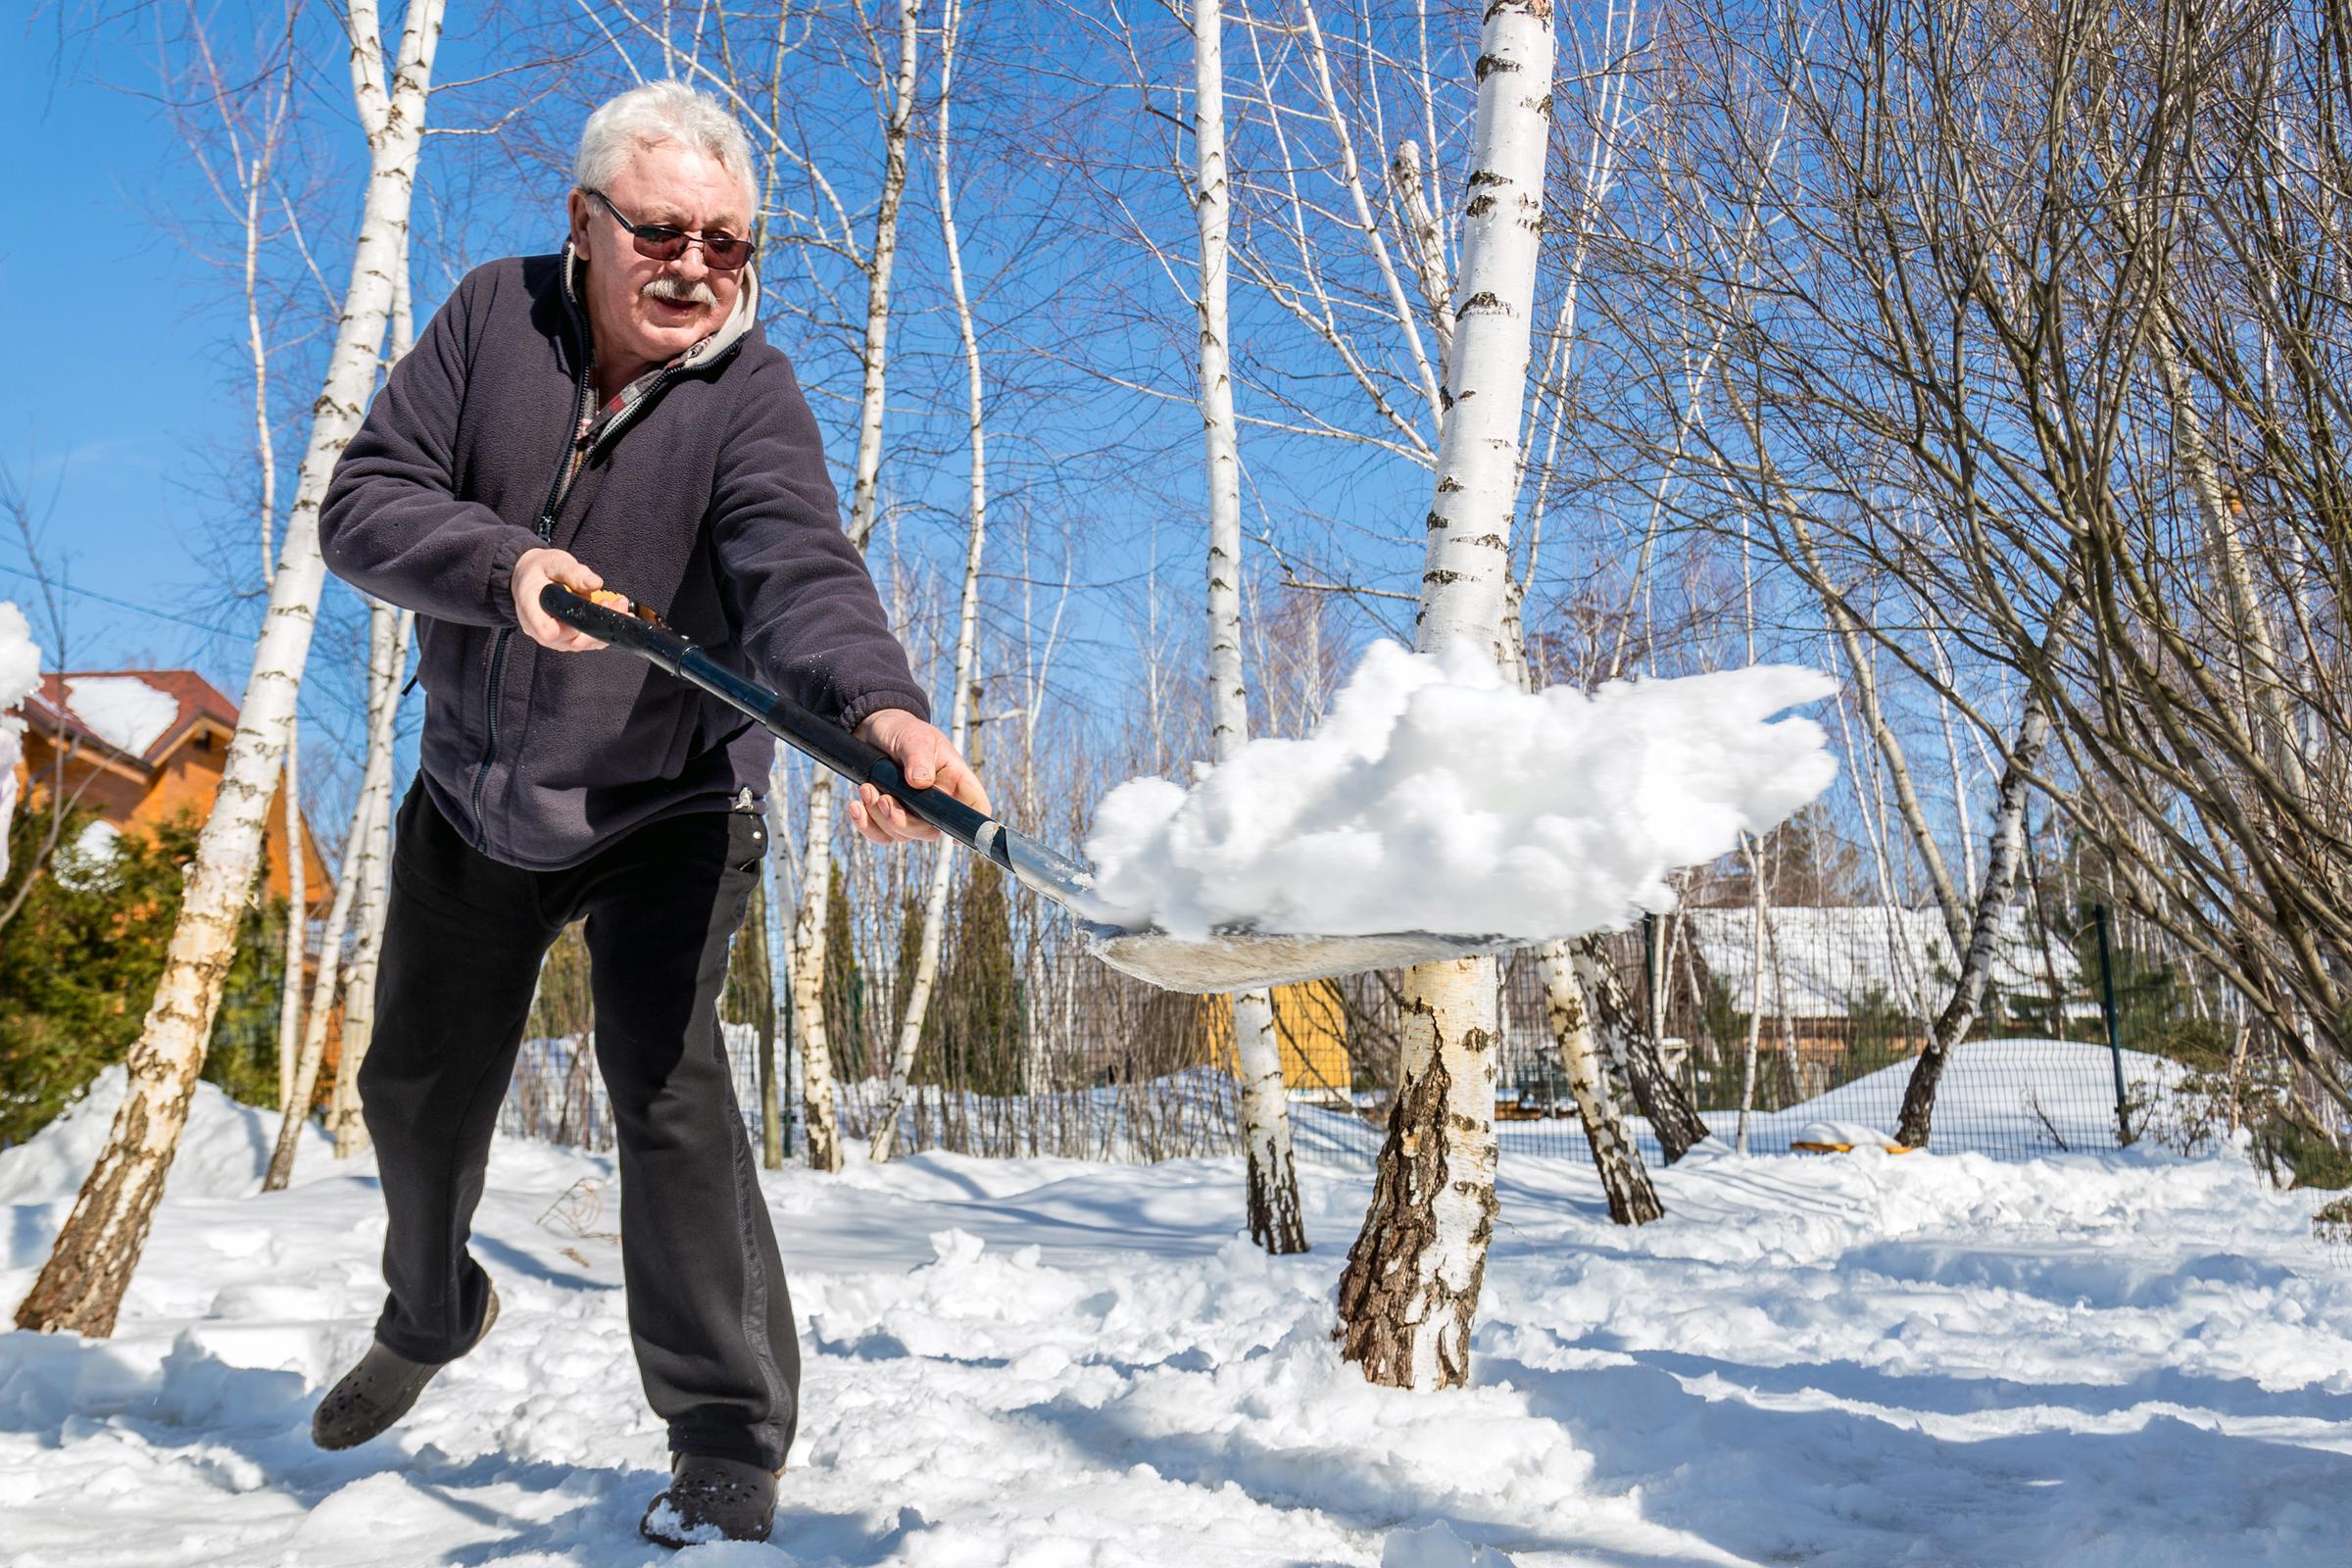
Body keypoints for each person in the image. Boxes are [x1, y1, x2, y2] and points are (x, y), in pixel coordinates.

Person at [310, 79, 983, 1549]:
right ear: (585, 223)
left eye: (731, 243)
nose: (697, 267)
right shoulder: (496, 320)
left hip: (673, 798)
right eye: (664, 232)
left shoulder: (753, 395)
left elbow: (800, 568)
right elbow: (363, 501)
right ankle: (429, 1314)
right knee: (413, 1097)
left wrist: (879, 715)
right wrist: (506, 565)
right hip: (475, 797)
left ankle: (728, 1440)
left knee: (668, 1089)